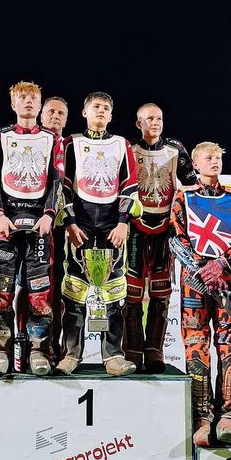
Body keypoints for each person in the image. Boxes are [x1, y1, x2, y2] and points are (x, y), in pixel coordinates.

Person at [170, 142, 231, 446]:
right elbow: (175, 237)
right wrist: (201, 269)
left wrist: (221, 264)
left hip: (230, 281)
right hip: (195, 281)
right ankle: (202, 417)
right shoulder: (184, 196)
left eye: (218, 157)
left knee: (230, 342)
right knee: (196, 343)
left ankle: (227, 415)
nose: (214, 161)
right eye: (208, 158)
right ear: (195, 163)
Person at [57, 91, 140, 376]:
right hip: (79, 225)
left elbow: (129, 184)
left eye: (106, 107)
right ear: (84, 112)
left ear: (112, 115)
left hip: (112, 226)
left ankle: (113, 355)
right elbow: (64, 184)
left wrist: (123, 222)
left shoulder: (121, 144)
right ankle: (71, 354)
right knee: (74, 290)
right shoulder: (71, 143)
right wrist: (69, 223)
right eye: (96, 107)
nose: (101, 111)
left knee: (113, 291)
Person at [0, 81, 62, 376]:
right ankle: (1, 351)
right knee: (1, 291)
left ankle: (38, 350)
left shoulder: (52, 139)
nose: (28, 101)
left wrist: (49, 214)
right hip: (6, 222)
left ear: (40, 105)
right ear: (13, 104)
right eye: (22, 97)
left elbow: (56, 178)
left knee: (39, 292)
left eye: (33, 98)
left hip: (39, 223)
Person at [126, 102, 196, 372]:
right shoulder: (128, 148)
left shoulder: (175, 149)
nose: (155, 123)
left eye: (159, 119)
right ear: (138, 123)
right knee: (131, 291)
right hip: (135, 228)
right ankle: (132, 348)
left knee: (160, 290)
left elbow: (191, 186)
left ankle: (155, 349)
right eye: (149, 119)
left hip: (165, 228)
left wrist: (179, 220)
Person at [40, 96, 69, 362]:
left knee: (60, 287)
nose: (55, 116)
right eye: (51, 112)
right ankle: (29, 345)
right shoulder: (32, 142)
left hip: (64, 228)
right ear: (41, 115)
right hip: (34, 225)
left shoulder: (72, 147)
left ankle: (57, 346)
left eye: (61, 113)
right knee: (30, 287)